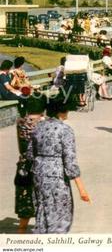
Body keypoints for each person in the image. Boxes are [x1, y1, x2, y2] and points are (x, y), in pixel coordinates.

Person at [27, 94, 91, 234]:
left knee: (42, 210)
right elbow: (70, 162)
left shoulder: (38, 127)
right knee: (60, 213)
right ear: (62, 111)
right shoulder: (65, 130)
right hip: (56, 175)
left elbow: (30, 154)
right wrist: (81, 189)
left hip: (38, 173)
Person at [14, 95, 46, 233]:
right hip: (41, 165)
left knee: (25, 197)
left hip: (24, 165)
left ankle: (21, 231)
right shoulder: (44, 124)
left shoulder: (20, 122)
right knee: (42, 198)